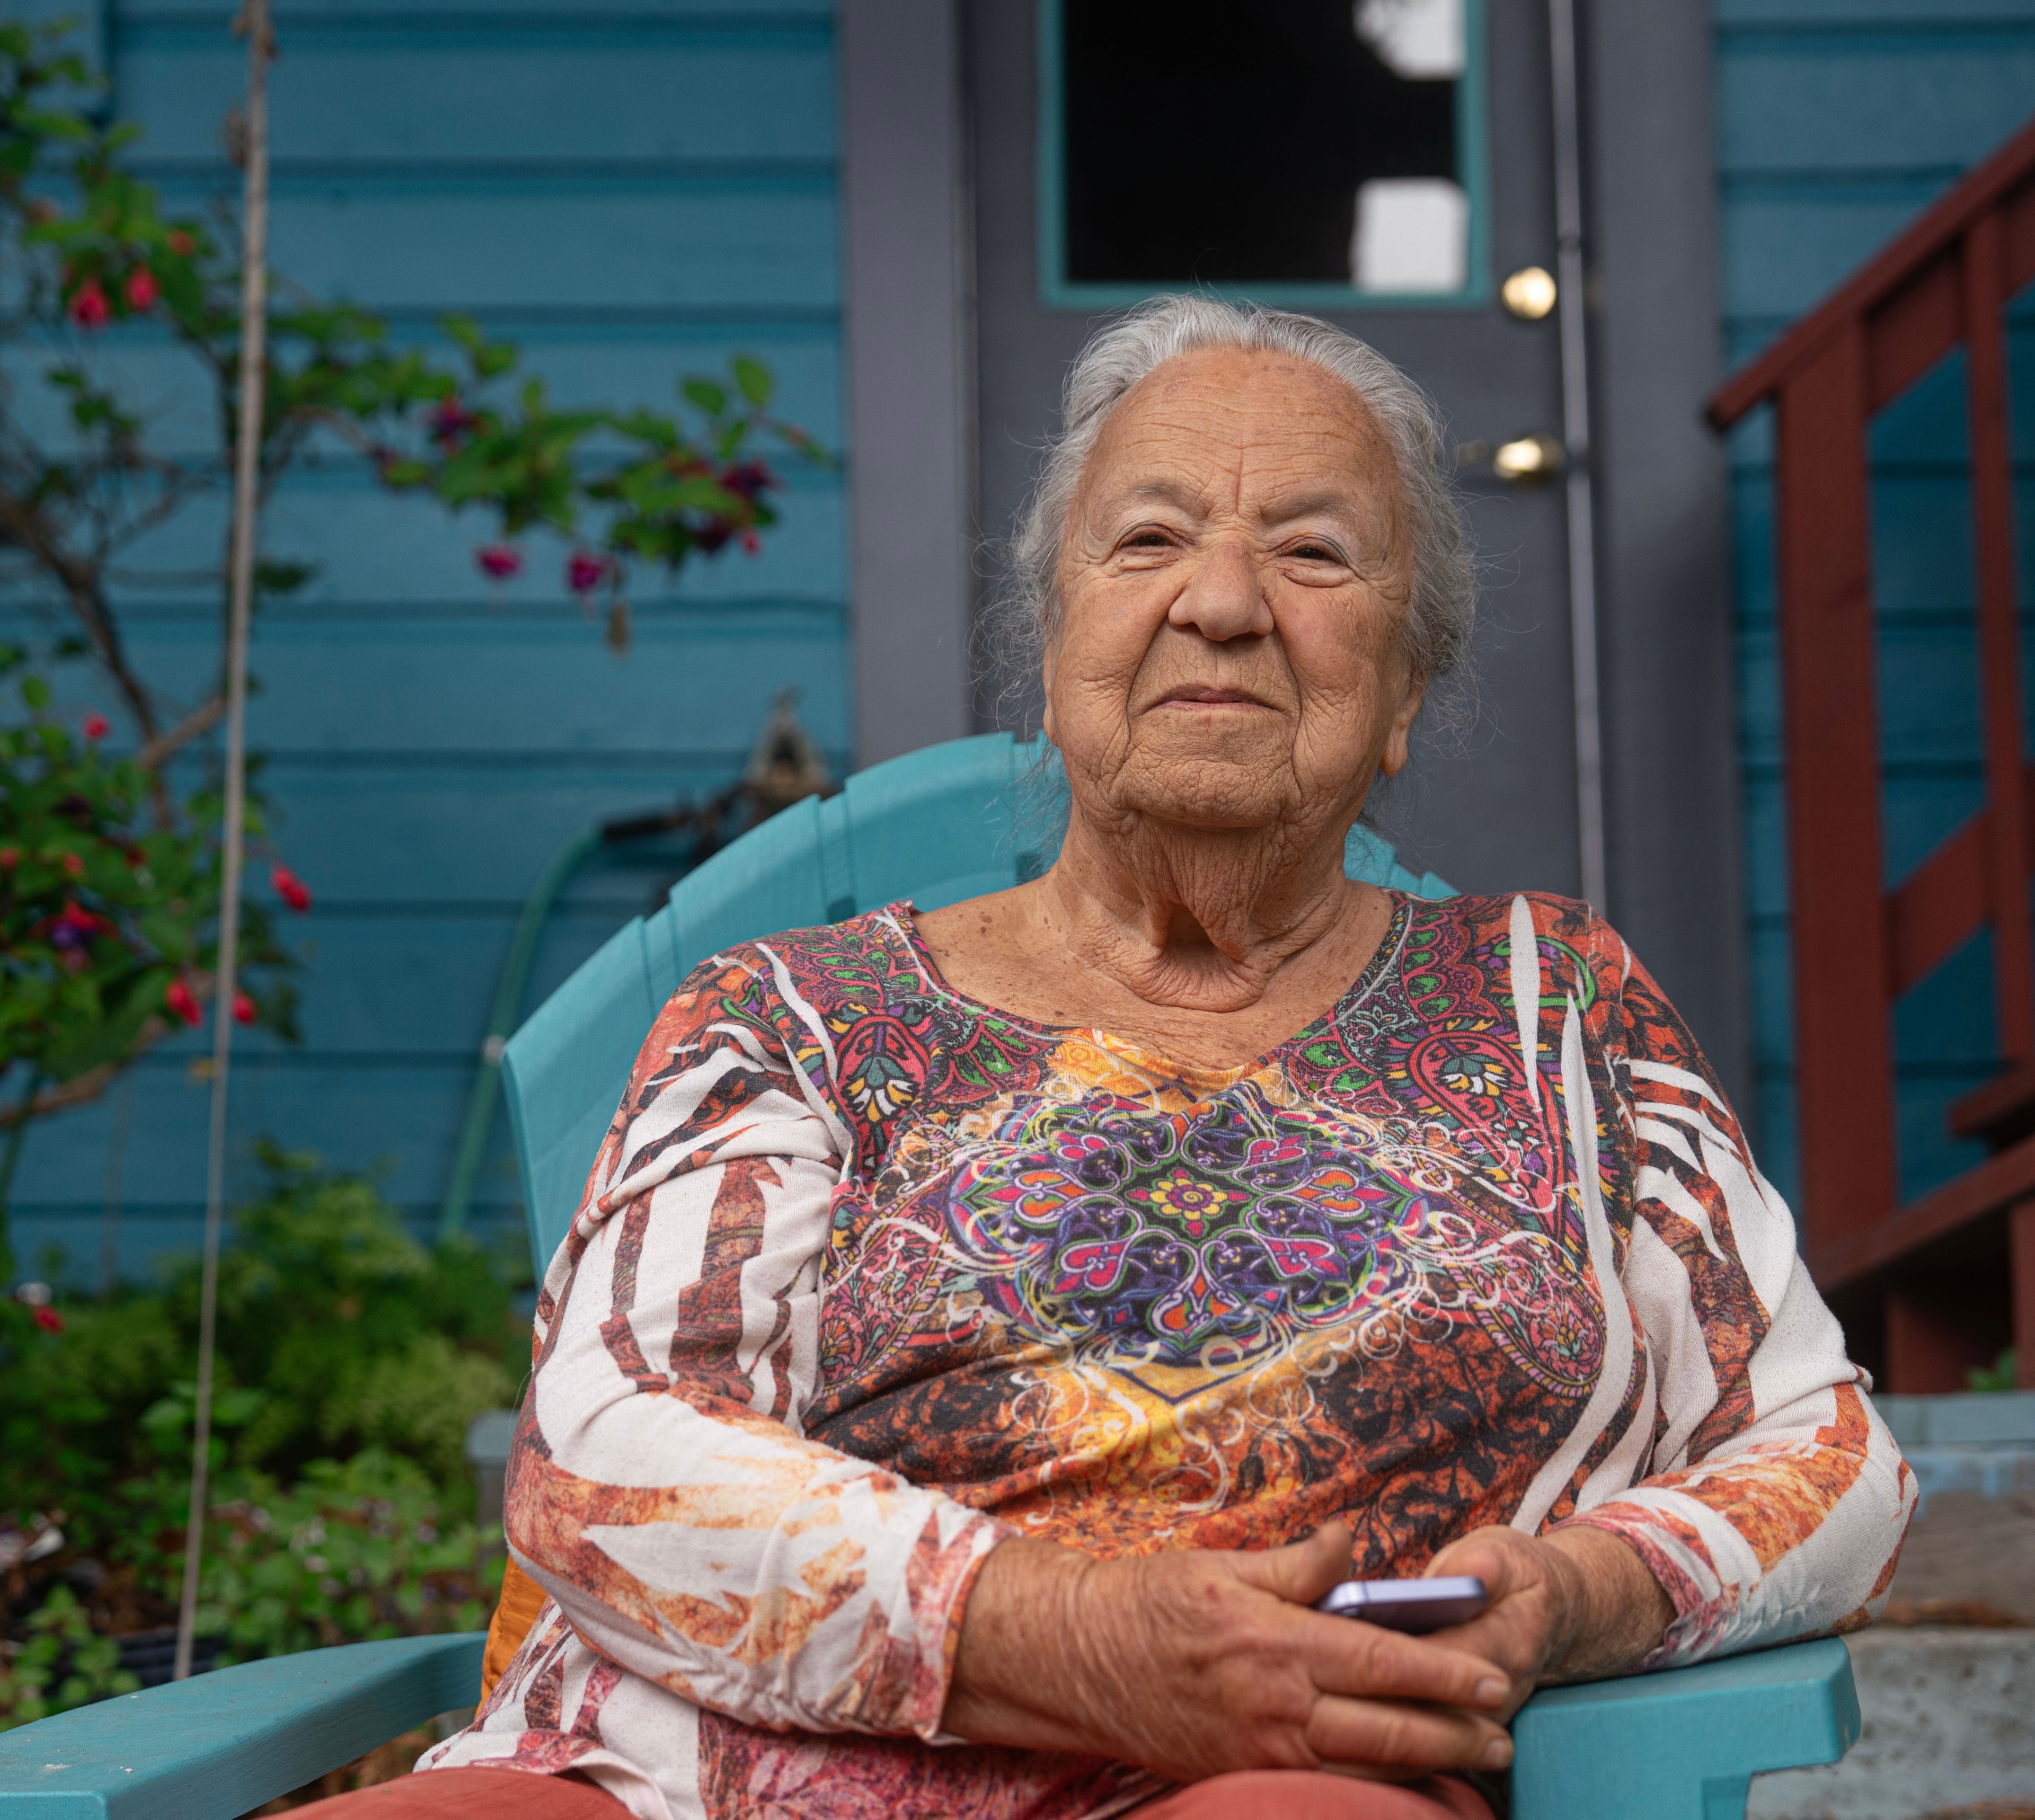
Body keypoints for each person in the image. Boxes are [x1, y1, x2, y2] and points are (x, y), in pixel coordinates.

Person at [307, 298, 1913, 1820]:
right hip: (696, 1779)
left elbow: (1827, 1456)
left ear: (1405, 686)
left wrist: (1571, 1595)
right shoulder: (786, 1016)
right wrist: (1070, 1639)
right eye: (1148, 541)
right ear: (1060, 638)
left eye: (1312, 551)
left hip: (1283, 1776)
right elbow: (604, 1446)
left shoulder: (1557, 1008)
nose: (1221, 602)